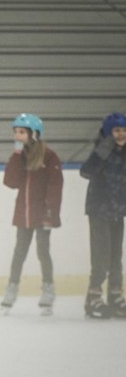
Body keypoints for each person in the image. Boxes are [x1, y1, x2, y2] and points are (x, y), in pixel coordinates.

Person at [0, 114, 63, 316]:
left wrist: (50, 213)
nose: (17, 136)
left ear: (34, 134)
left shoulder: (49, 156)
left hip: (42, 214)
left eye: (21, 132)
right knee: (19, 254)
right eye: (16, 132)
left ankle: (48, 291)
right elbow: (10, 182)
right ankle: (11, 290)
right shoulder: (20, 156)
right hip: (23, 214)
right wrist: (16, 156)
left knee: (43, 253)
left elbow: (55, 186)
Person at [79, 112, 126, 319]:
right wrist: (103, 151)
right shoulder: (101, 151)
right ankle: (93, 297)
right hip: (99, 211)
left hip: (118, 210)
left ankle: (115, 295)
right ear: (108, 133)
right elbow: (86, 172)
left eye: (124, 130)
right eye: (116, 131)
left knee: (116, 257)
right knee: (101, 257)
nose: (121, 134)